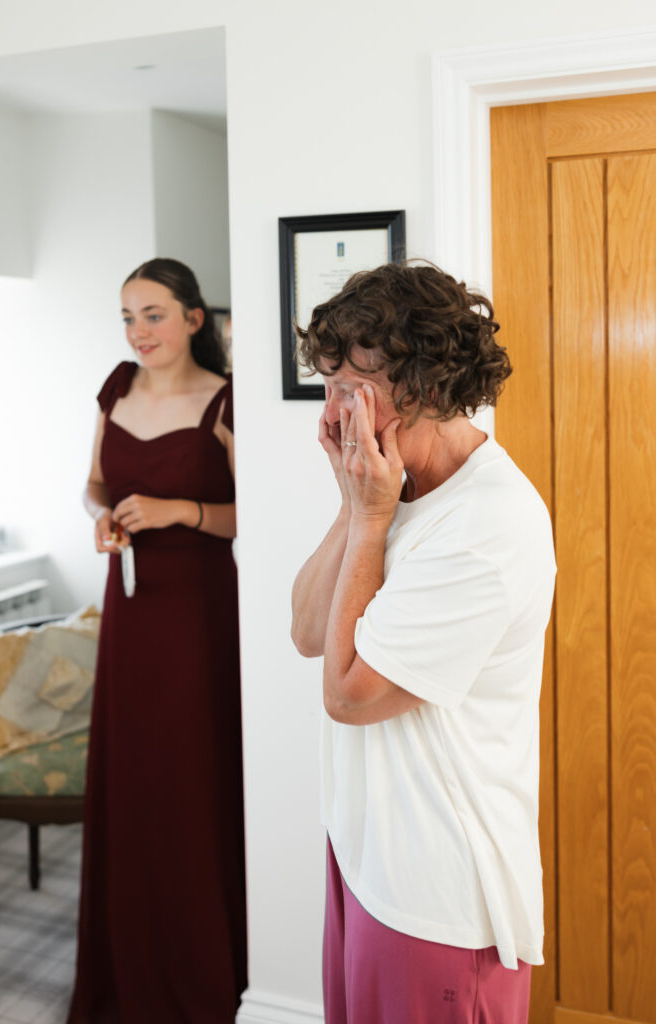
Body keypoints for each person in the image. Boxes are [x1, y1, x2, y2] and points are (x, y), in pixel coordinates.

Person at [291, 262, 556, 1024]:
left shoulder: (486, 526)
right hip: (368, 857)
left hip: (437, 892)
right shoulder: (391, 487)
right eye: (328, 383)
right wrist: (355, 508)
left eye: (353, 385)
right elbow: (308, 631)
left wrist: (369, 520)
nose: (333, 410)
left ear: (428, 385)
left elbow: (347, 695)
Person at [67, 258, 247, 1023]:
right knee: (133, 773)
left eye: (153, 314)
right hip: (130, 608)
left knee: (190, 774)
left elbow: (256, 514)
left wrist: (182, 512)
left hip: (200, 612)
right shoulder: (116, 388)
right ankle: (127, 963)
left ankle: (207, 966)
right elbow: (94, 483)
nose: (139, 332)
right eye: (128, 318)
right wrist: (101, 517)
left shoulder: (226, 401)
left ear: (193, 320)